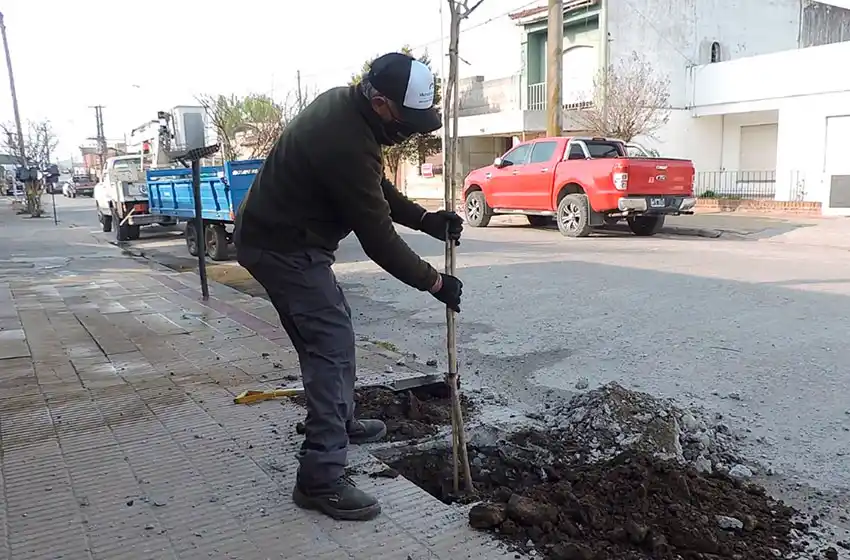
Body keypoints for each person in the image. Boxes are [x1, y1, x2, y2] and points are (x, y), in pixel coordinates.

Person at [233, 52, 464, 522]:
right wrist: (434, 281)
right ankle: (319, 478)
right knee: (330, 347)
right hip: (283, 249)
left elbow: (374, 186)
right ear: (380, 103)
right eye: (407, 123)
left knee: (330, 334)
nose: (408, 133)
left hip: (282, 241)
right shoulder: (344, 137)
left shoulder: (349, 111)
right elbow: (378, 239)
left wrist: (425, 220)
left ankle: (340, 421)